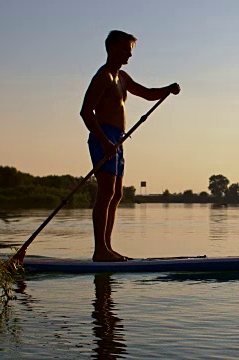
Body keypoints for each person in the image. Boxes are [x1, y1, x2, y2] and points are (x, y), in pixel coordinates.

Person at [80, 30, 180, 262]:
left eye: (130, 50)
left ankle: (107, 248)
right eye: (126, 49)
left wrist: (168, 89)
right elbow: (86, 112)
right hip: (102, 137)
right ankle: (100, 250)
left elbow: (146, 94)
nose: (129, 55)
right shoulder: (103, 76)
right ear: (112, 48)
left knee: (117, 195)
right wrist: (104, 141)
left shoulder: (122, 77)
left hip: (118, 138)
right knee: (106, 193)